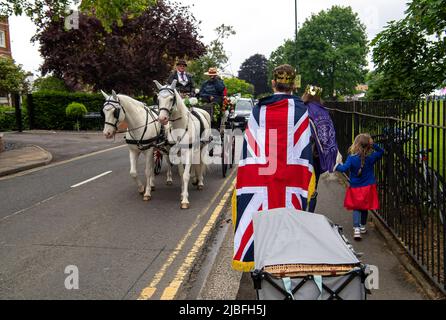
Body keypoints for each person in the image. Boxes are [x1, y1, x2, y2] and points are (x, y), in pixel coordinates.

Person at [232, 64, 315, 271]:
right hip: (291, 182)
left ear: (272, 83)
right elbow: (304, 152)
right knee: (289, 227)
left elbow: (249, 152)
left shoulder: (258, 110)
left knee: (259, 224)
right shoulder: (302, 112)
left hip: (259, 182)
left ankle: (260, 266)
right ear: (294, 86)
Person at [335, 133, 384, 240]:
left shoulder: (351, 158)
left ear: (356, 144)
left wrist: (336, 165)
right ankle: (362, 227)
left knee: (356, 208)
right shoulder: (371, 158)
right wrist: (373, 144)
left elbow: (343, 169)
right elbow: (381, 152)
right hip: (368, 187)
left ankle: (356, 229)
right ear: (368, 146)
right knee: (364, 207)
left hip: (356, 187)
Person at [302, 84, 339, 213]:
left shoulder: (299, 109)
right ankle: (309, 215)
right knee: (312, 188)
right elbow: (328, 136)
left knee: (299, 187)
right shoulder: (322, 111)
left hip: (298, 156)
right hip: (314, 157)